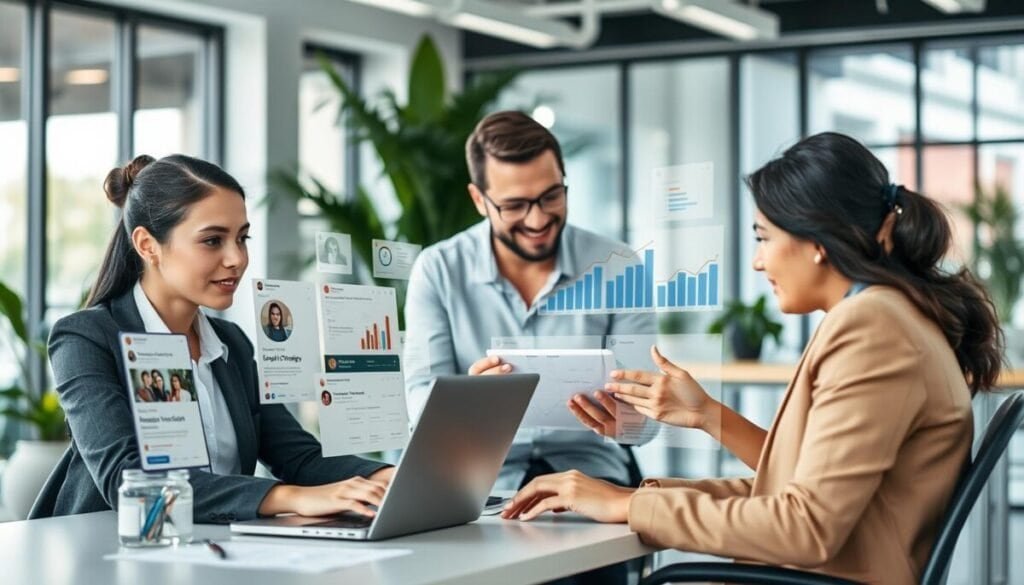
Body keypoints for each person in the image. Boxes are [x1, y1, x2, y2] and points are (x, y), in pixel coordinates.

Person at [501, 132, 1004, 585]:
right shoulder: (886, 315)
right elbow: (799, 485)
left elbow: (804, 526)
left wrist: (629, 502)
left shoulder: (873, 328)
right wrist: (697, 424)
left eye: (764, 237)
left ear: (815, 241)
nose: (758, 260)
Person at [31, 154, 394, 523]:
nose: (236, 258)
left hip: (210, 548)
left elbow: (298, 456)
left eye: (242, 238)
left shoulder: (230, 343)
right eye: (212, 240)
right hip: (108, 555)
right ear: (147, 245)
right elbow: (129, 480)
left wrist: (390, 477)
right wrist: (291, 498)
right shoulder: (86, 338)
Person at [404, 111, 653, 584]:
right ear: (479, 199)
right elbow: (418, 401)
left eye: (551, 196)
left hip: (591, 482)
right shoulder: (439, 269)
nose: (538, 219)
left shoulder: (618, 266)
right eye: (516, 205)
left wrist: (626, 417)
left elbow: (648, 419)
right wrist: (461, 405)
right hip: (475, 488)